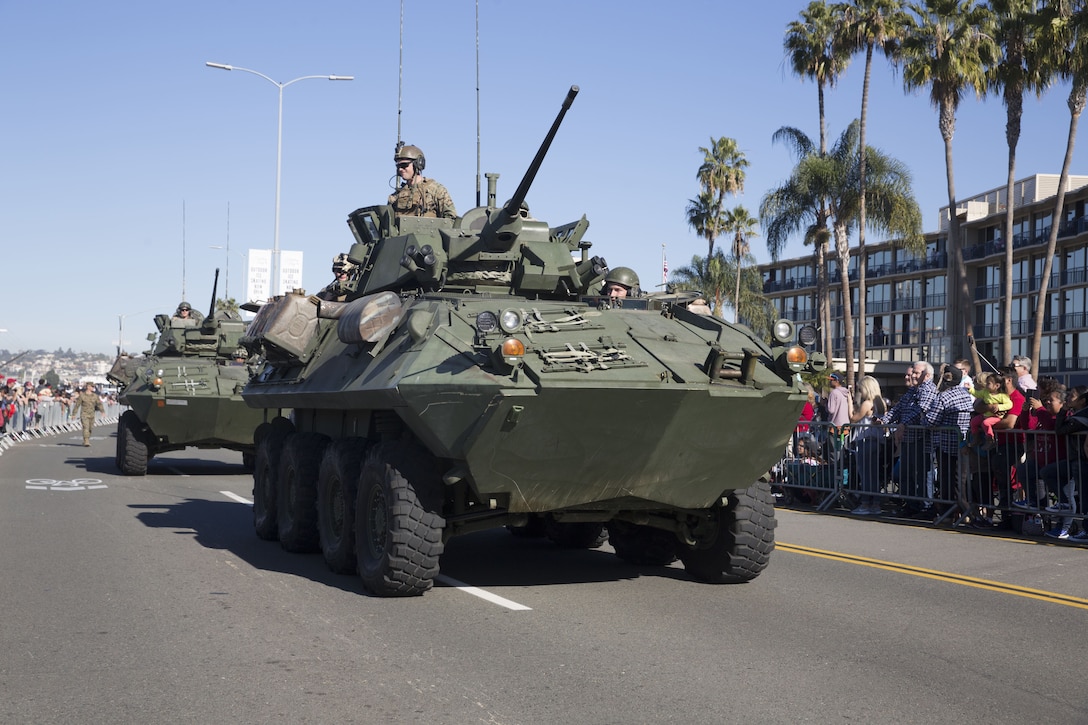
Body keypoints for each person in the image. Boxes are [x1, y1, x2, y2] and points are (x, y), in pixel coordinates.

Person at [877, 361, 937, 517]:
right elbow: (898, 408)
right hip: (908, 439)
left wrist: (904, 423)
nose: (913, 376)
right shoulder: (912, 391)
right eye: (914, 373)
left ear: (927, 375)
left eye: (917, 373)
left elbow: (922, 409)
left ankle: (926, 507)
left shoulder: (928, 389)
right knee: (906, 473)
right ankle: (911, 504)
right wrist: (883, 420)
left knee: (922, 475)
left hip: (922, 438)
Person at [926, 365, 974, 517]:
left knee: (947, 481)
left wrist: (924, 417)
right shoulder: (966, 394)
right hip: (965, 445)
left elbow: (931, 421)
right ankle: (965, 513)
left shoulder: (943, 397)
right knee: (962, 481)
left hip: (947, 445)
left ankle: (950, 513)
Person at [848, 376, 888, 515]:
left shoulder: (867, 403)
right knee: (874, 474)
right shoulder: (881, 403)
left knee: (865, 473)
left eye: (861, 389)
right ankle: (875, 504)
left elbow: (853, 419)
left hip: (865, 440)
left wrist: (849, 402)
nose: (860, 391)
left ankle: (865, 503)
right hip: (876, 441)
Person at [388, 144, 457, 219]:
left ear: (418, 164)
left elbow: (450, 218)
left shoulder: (436, 190)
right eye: (398, 166)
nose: (400, 169)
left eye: (404, 165)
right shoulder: (395, 197)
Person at [968, 371, 1013, 449]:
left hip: (996, 417)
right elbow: (977, 394)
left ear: (997, 386)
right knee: (973, 422)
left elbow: (1009, 404)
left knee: (985, 423)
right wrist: (970, 389)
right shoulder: (985, 392)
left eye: (988, 383)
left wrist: (999, 407)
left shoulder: (1002, 396)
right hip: (985, 415)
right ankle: (976, 438)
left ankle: (990, 440)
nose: (986, 385)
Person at [73, 382, 103, 447]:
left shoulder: (95, 396)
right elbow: (77, 405)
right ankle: (86, 441)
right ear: (88, 387)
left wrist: (102, 411)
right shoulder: (82, 395)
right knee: (85, 427)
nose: (93, 388)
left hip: (92, 414)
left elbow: (99, 404)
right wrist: (74, 414)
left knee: (90, 428)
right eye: (92, 387)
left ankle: (86, 439)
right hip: (84, 414)